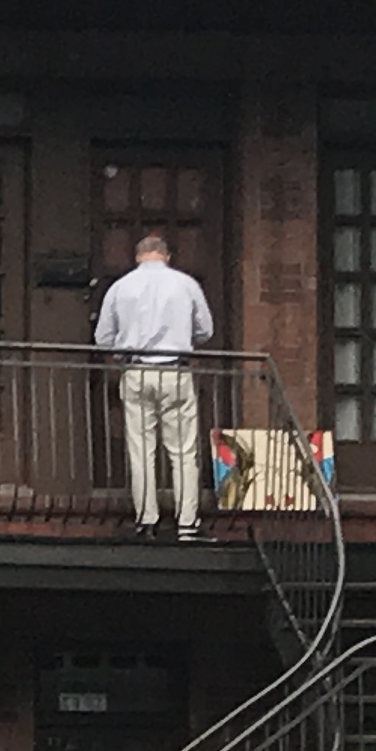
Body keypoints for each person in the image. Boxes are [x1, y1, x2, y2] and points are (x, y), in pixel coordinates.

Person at [94, 228, 218, 541]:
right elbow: (206, 330)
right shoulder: (186, 284)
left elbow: (102, 338)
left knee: (141, 449)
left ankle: (146, 520)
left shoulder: (120, 287)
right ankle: (187, 523)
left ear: (138, 257)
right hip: (175, 371)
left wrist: (123, 351)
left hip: (136, 371)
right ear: (167, 256)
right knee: (183, 451)